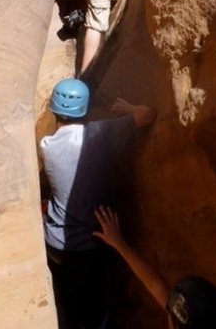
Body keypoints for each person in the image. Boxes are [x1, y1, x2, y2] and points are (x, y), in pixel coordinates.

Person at [41, 78, 157, 329]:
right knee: (97, 311)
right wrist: (127, 108)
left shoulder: (46, 146)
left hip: (54, 243)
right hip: (90, 244)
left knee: (69, 305)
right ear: (85, 109)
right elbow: (148, 114)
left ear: (53, 109)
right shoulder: (99, 134)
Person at [94, 206, 216, 328]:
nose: (168, 314)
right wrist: (118, 243)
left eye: (171, 316)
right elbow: (153, 283)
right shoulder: (191, 319)